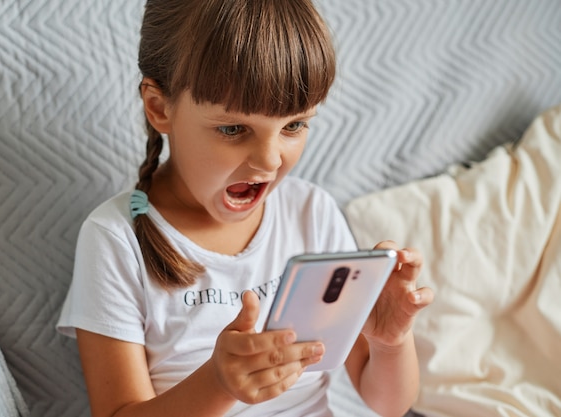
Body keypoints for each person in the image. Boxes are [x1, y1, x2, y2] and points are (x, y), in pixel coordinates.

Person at [57, 0, 434, 416]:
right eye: (233, 129)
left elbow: (388, 403)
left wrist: (391, 343)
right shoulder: (115, 238)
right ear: (160, 108)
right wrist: (218, 384)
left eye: (293, 126)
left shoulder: (312, 213)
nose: (270, 162)